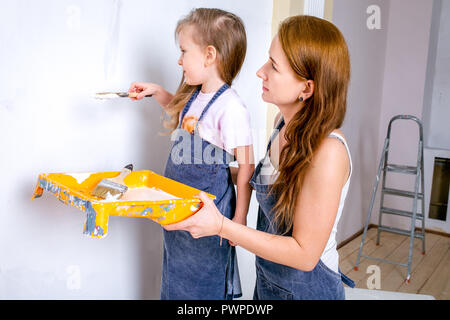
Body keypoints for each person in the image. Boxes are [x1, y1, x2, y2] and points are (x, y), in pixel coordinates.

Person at [164, 15, 356, 300]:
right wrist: (200, 174)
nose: (259, 72)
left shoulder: (328, 153)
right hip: (268, 283)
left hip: (308, 292)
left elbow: (304, 255)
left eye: (273, 66)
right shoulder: (283, 124)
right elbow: (260, 179)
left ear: (307, 88)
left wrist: (222, 225)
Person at [128, 8, 254, 300]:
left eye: (184, 51)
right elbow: (182, 112)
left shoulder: (231, 108)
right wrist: (157, 91)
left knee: (202, 287)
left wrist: (239, 219)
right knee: (177, 281)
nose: (179, 59)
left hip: (207, 217)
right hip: (179, 212)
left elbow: (246, 167)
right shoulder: (196, 95)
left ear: (210, 55)